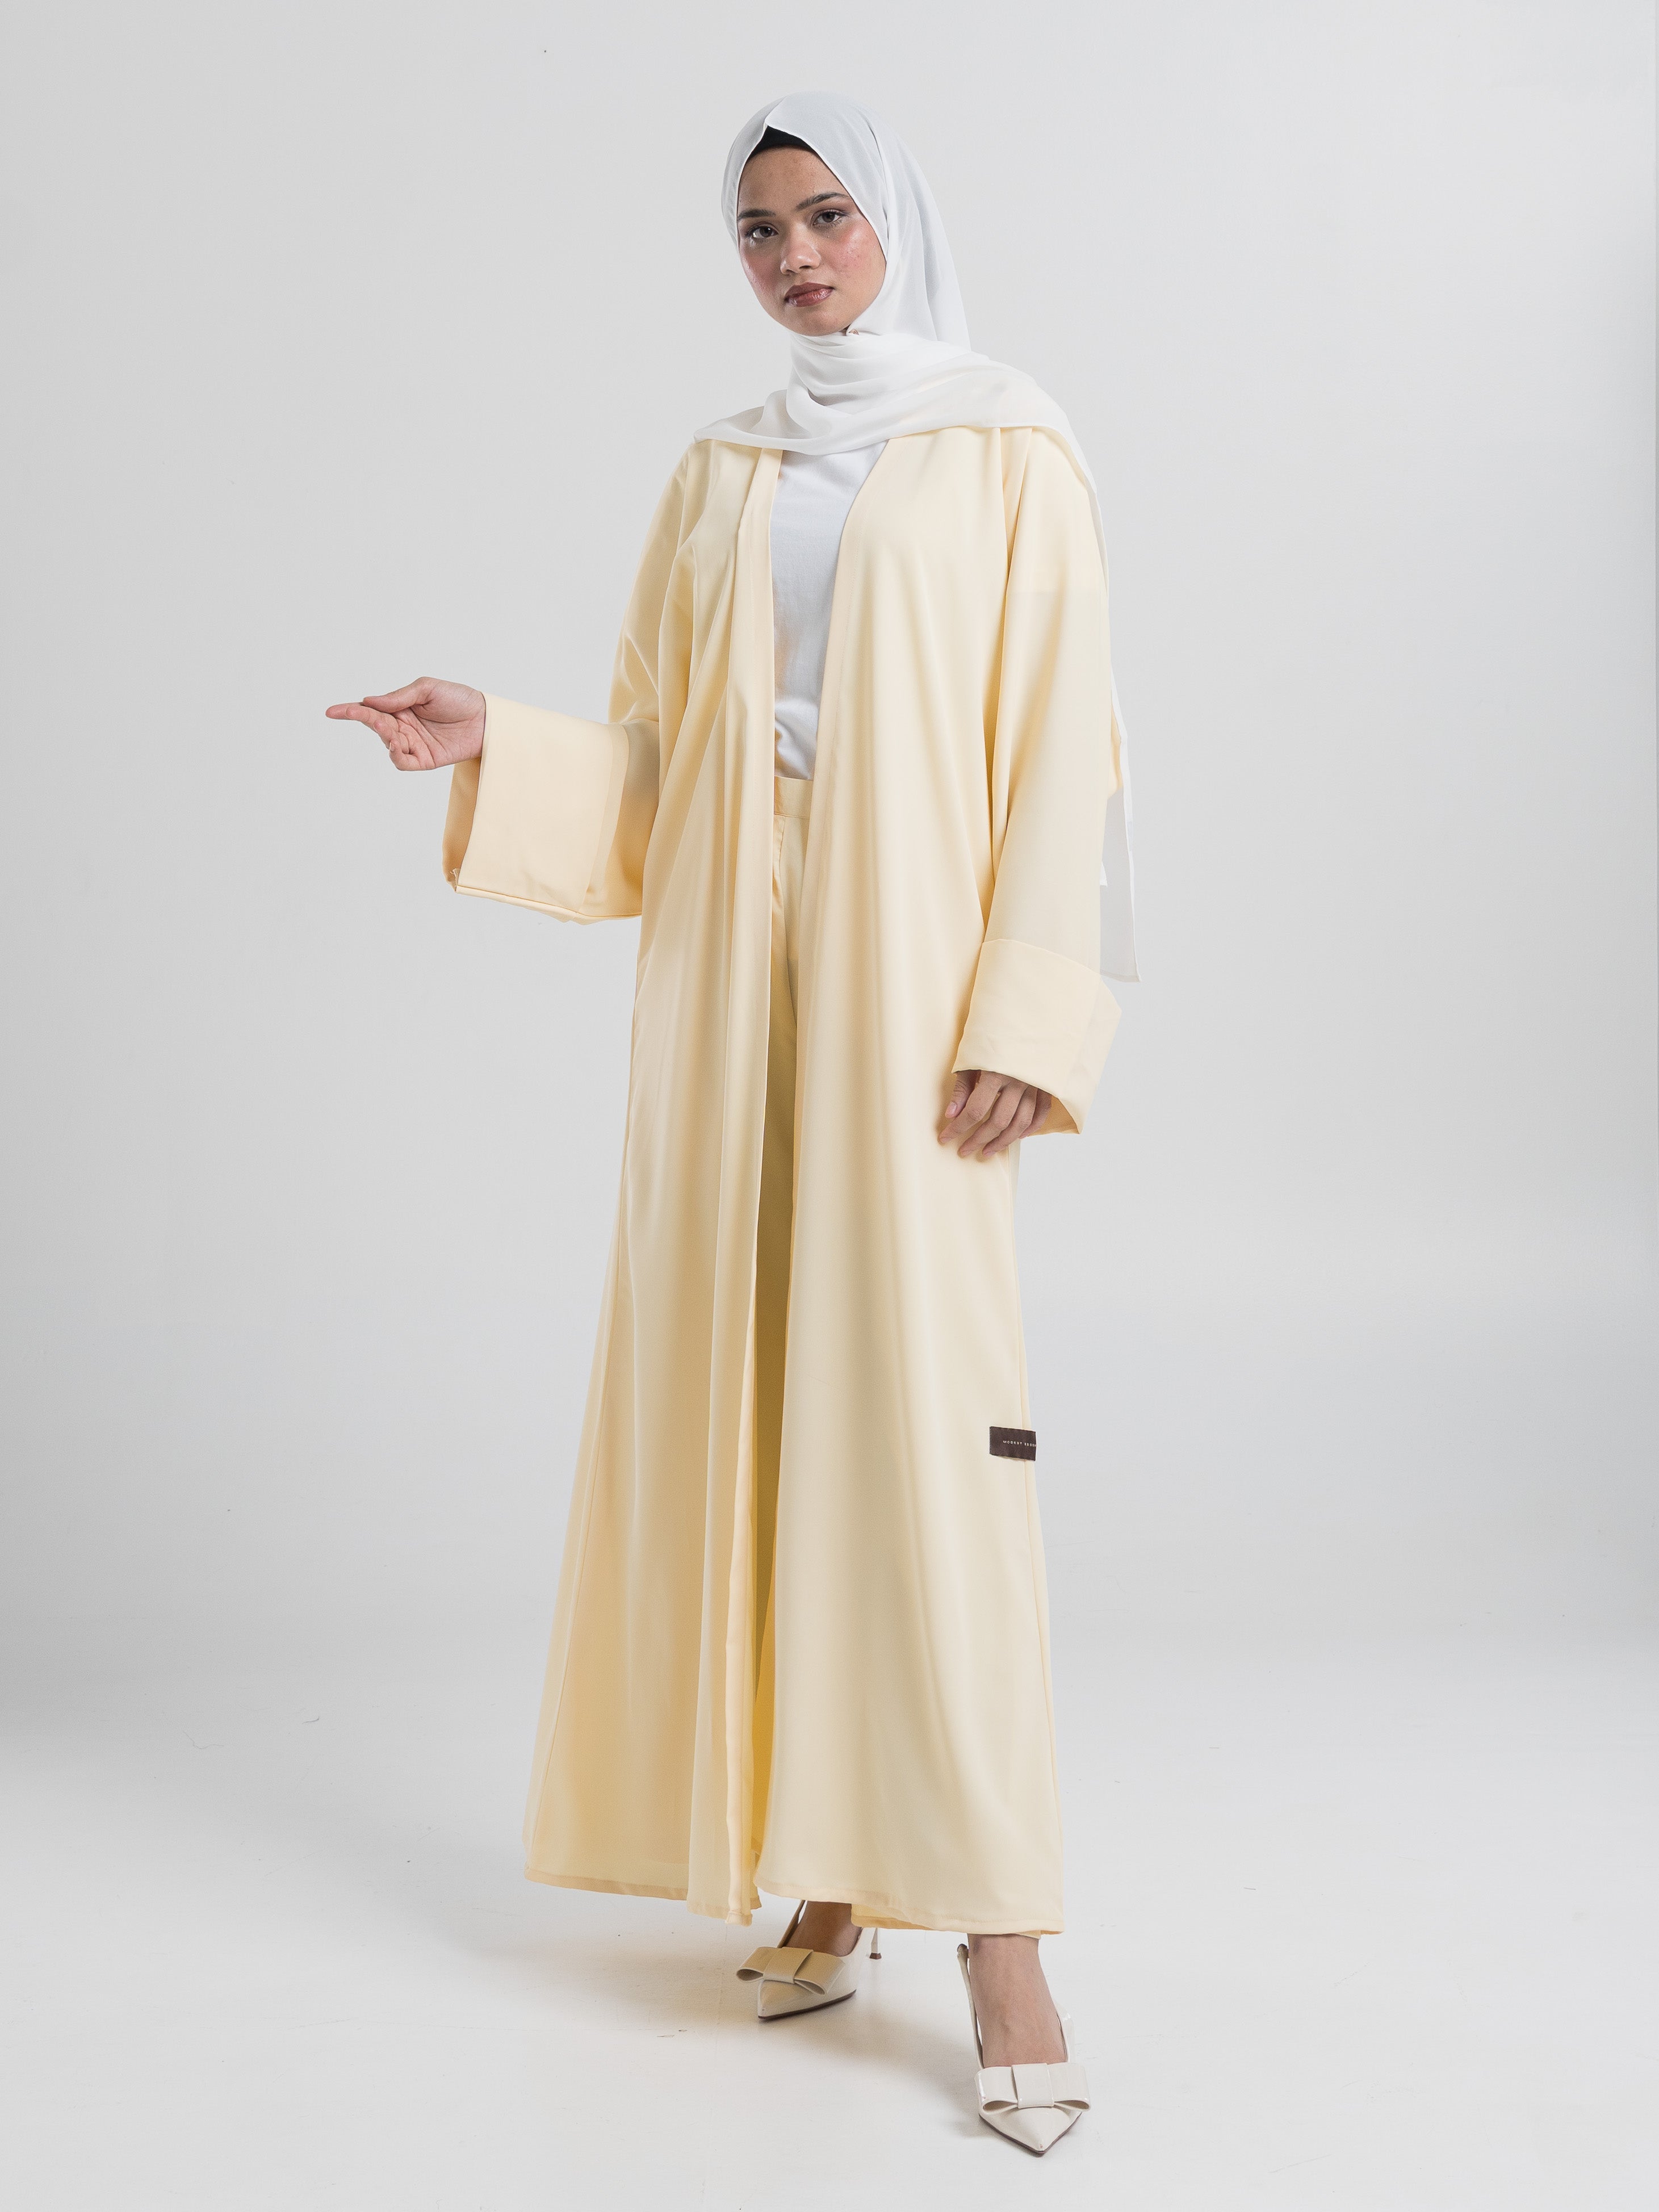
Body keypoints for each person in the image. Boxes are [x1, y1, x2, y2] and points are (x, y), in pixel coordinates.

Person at [328, 90, 1136, 2156]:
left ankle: (1003, 1942)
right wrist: (498, 741)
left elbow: (1067, 752)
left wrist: (1028, 1013)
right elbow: (670, 761)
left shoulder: (1007, 446)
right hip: (729, 989)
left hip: (912, 982)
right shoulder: (722, 469)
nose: (794, 256)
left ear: (896, 223)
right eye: (760, 228)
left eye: (827, 215)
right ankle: (829, 1870)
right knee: (753, 1400)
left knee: (924, 1433)